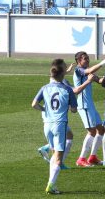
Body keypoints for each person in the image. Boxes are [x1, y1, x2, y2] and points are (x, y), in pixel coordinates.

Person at [37, 62, 96, 169]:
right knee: (59, 143)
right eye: (65, 67)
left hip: (50, 116)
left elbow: (34, 104)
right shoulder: (63, 84)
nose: (67, 69)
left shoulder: (51, 82)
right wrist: (88, 81)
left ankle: (55, 158)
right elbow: (75, 91)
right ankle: (57, 164)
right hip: (56, 117)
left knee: (69, 136)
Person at [32, 59, 78, 194]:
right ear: (63, 73)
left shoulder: (44, 88)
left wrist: (44, 110)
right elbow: (74, 110)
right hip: (60, 125)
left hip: (47, 125)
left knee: (54, 155)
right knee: (58, 158)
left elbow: (34, 104)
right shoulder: (67, 89)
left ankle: (51, 183)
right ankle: (51, 185)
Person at [73, 52, 105, 167]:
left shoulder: (87, 71)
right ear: (79, 61)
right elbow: (89, 72)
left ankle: (93, 157)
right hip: (84, 105)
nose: (88, 60)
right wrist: (104, 61)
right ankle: (81, 159)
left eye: (88, 58)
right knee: (92, 131)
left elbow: (98, 80)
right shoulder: (78, 70)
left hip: (90, 105)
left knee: (101, 129)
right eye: (85, 59)